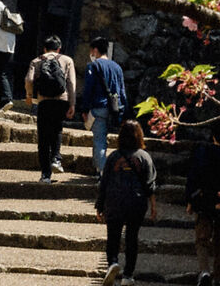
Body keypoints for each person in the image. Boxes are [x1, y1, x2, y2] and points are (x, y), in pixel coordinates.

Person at [95, 119, 160, 283]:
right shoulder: (144, 157)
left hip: (114, 200)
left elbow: (104, 182)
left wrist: (100, 205)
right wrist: (153, 204)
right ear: (139, 136)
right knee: (132, 238)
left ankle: (112, 263)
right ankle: (128, 275)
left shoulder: (113, 157)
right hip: (136, 202)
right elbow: (150, 184)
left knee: (113, 236)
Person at [181, 118, 220, 286]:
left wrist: (190, 200)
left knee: (202, 239)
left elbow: (193, 176)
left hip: (204, 200)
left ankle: (205, 271)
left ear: (212, 134)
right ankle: (218, 276)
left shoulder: (202, 151)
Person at [26, 33, 77, 180]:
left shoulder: (36, 60)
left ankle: (45, 174)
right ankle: (56, 159)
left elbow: (29, 79)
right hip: (62, 100)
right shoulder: (67, 60)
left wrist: (29, 96)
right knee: (57, 129)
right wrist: (72, 104)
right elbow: (71, 83)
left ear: (44, 48)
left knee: (43, 136)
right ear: (59, 49)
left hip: (44, 101)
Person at [83, 35, 129, 180]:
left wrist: (84, 109)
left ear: (95, 50)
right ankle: (103, 171)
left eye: (91, 50)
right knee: (107, 140)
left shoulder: (93, 66)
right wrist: (125, 111)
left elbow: (88, 90)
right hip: (115, 109)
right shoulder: (117, 67)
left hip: (99, 107)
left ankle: (102, 172)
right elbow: (122, 91)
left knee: (99, 141)